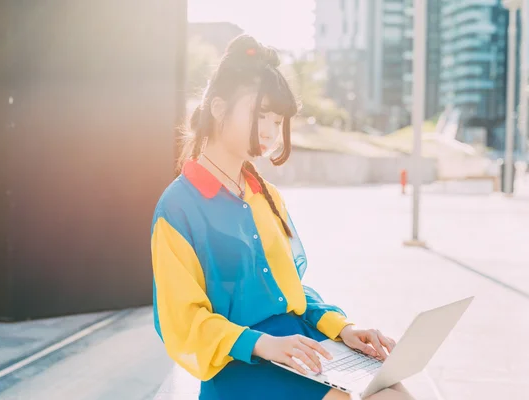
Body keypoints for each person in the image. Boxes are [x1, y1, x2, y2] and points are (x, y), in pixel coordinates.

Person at [151, 35, 414, 400]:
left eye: (277, 120)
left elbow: (289, 290)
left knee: (393, 391)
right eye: (260, 115)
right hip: (242, 363)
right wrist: (263, 344)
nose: (271, 132)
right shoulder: (179, 206)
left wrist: (343, 329)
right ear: (218, 107)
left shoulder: (266, 196)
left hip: (298, 345)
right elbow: (181, 320)